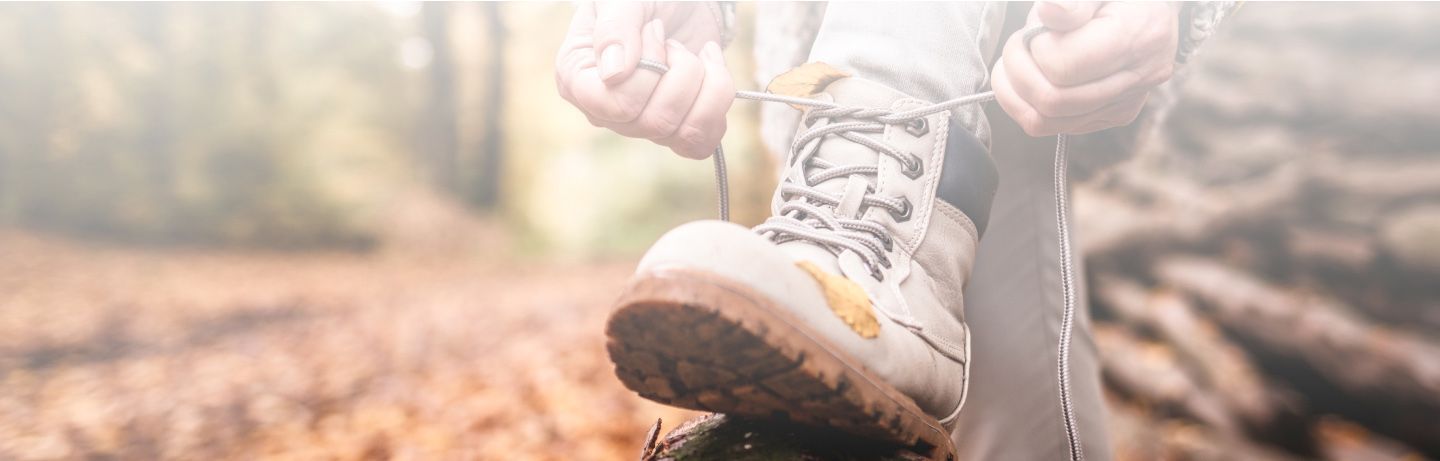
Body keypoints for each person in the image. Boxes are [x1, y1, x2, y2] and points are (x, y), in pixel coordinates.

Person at [555, 2, 1235, 459]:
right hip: (821, 95)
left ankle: (858, 235)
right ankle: (844, 223)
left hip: (1025, 77)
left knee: (1022, 424)